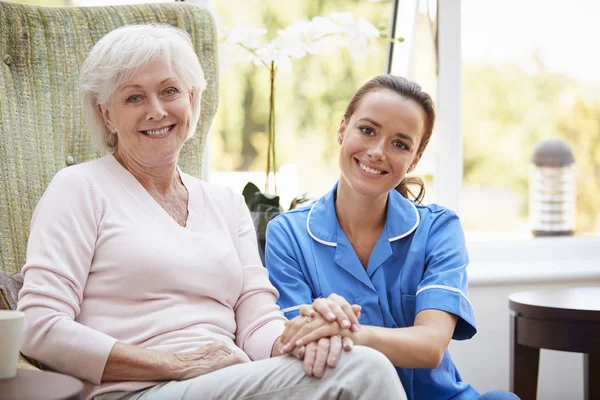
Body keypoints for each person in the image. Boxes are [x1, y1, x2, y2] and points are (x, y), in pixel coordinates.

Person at [16, 25, 408, 400]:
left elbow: (257, 320)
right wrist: (175, 364)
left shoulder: (225, 202)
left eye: (169, 91)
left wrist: (305, 337)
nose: (156, 110)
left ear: (191, 100)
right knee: (365, 371)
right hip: (134, 389)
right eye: (134, 97)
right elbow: (38, 326)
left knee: (345, 360)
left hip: (227, 380)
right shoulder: (79, 188)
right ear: (106, 114)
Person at [265, 75, 520, 400]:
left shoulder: (439, 229)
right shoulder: (288, 234)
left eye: (400, 144)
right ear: (342, 129)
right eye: (367, 130)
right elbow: (297, 342)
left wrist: (346, 331)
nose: (377, 151)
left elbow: (431, 346)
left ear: (414, 159)